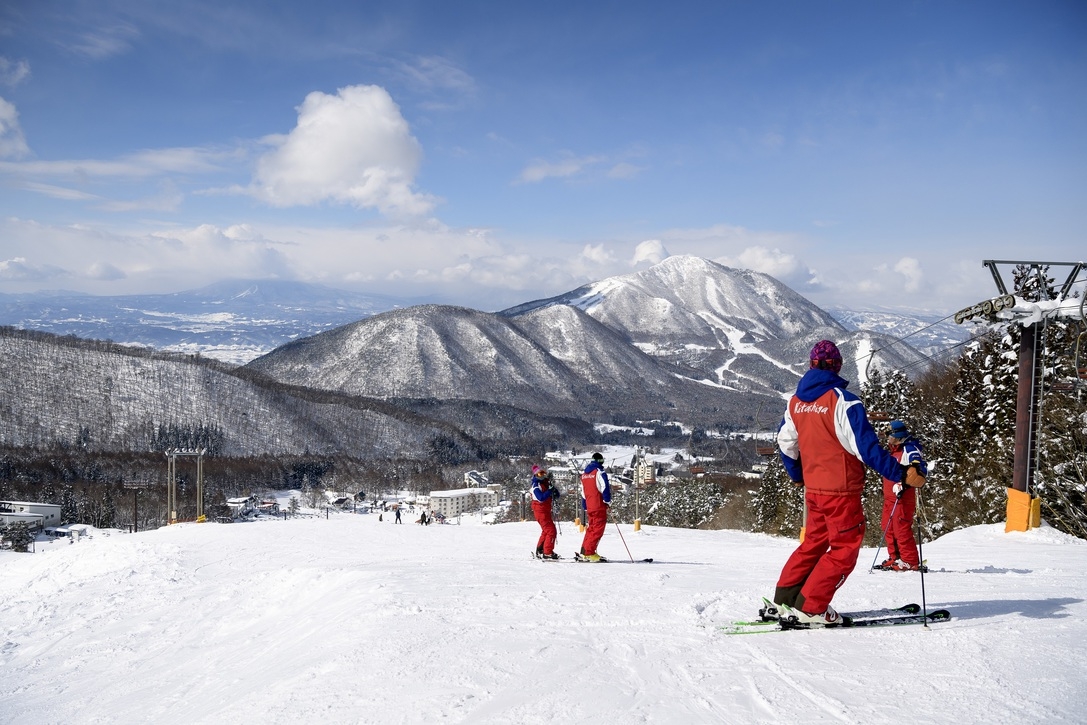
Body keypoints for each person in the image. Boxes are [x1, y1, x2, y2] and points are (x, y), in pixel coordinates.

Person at [773, 340, 926, 626]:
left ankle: (785, 600)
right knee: (844, 549)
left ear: (811, 365)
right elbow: (866, 448)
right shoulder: (843, 401)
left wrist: (798, 475)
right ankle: (812, 607)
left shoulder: (796, 403)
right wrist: (902, 473)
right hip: (841, 490)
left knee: (813, 544)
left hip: (815, 490)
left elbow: (785, 444)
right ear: (837, 366)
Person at [877, 420, 928, 571]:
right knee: (887, 526)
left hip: (902, 496)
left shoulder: (909, 449)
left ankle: (910, 560)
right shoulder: (893, 450)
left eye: (889, 435)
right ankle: (896, 557)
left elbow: (918, 468)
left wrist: (905, 483)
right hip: (889, 496)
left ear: (897, 436)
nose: (887, 439)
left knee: (901, 528)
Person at [579, 452, 611, 562]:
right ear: (600, 461)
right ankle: (589, 553)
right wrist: (607, 501)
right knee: (598, 529)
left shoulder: (584, 475)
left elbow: (583, 493)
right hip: (598, 505)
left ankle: (585, 550)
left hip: (590, 506)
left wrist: (585, 506)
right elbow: (605, 487)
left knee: (591, 528)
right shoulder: (599, 472)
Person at [530, 465, 561, 559]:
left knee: (546, 531)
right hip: (540, 511)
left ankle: (540, 549)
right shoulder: (535, 486)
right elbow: (541, 498)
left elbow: (555, 494)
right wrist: (549, 491)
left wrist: (554, 492)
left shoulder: (546, 483)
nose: (542, 475)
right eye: (539, 474)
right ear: (535, 475)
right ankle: (547, 552)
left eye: (543, 473)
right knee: (551, 531)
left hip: (545, 511)